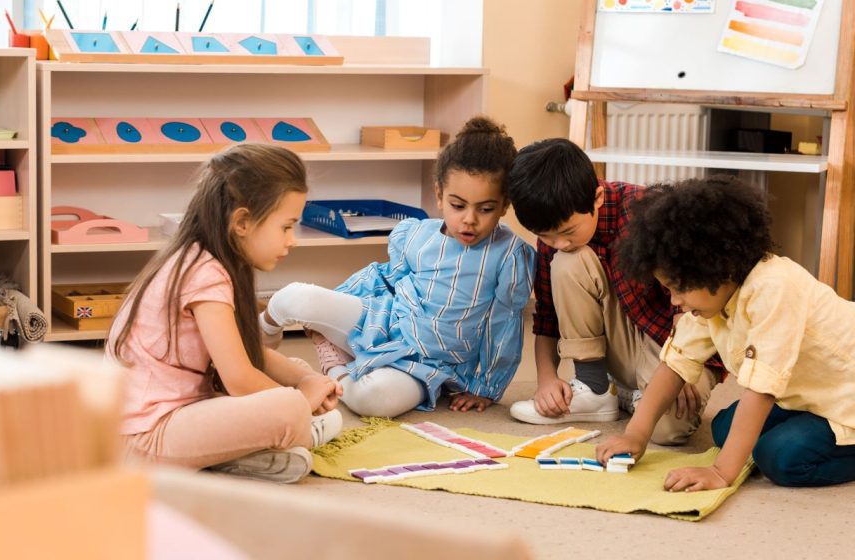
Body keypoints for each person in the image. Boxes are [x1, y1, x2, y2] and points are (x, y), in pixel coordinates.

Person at [262, 116, 534, 417]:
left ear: (504, 205)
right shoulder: (417, 234)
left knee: (373, 399)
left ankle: (333, 369)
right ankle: (255, 344)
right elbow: (382, 278)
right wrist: (335, 303)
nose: (470, 219)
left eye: (485, 209)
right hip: (384, 322)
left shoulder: (509, 254)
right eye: (458, 206)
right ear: (439, 194)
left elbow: (504, 326)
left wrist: (486, 387)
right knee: (293, 297)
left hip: (429, 365)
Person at [597, 176, 855, 490]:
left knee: (781, 457)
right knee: (724, 428)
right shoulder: (713, 297)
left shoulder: (774, 288)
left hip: (846, 401)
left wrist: (720, 472)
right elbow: (675, 364)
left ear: (718, 270)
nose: (674, 301)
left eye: (679, 289)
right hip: (811, 397)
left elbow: (761, 390)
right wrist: (634, 436)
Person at [109, 144, 343, 484]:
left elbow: (246, 355)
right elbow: (238, 378)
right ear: (243, 222)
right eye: (286, 227)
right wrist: (302, 400)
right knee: (289, 408)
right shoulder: (204, 273)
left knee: (298, 372)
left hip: (174, 418)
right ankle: (298, 433)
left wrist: (303, 381)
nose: (293, 240)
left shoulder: (204, 260)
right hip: (145, 439)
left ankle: (240, 456)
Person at [505, 139, 718, 445]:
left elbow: (692, 304)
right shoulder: (555, 240)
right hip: (622, 342)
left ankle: (630, 395)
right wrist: (546, 379)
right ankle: (595, 389)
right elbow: (547, 317)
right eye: (545, 237)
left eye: (567, 232)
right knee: (567, 262)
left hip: (674, 339)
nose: (558, 244)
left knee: (668, 429)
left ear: (598, 197)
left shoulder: (648, 212)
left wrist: (682, 364)